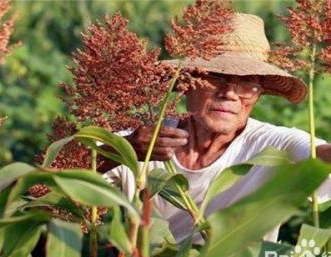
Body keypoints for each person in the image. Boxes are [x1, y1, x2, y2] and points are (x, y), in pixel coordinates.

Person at [99, 13, 331, 243]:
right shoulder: (143, 143)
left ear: (259, 93)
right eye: (216, 77)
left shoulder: (273, 145)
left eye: (248, 83)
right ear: (186, 82)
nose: (230, 94)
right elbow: (67, 174)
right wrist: (122, 152)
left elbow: (320, 155)